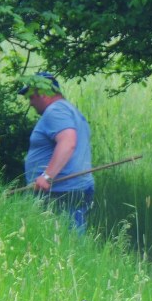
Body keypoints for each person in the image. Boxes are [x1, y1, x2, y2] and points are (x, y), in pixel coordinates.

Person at [19, 72, 95, 233]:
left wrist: (47, 176)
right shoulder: (70, 110)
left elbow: (68, 142)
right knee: (72, 235)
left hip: (60, 190)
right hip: (74, 186)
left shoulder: (55, 111)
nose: (30, 103)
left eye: (32, 97)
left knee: (58, 239)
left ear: (45, 93)